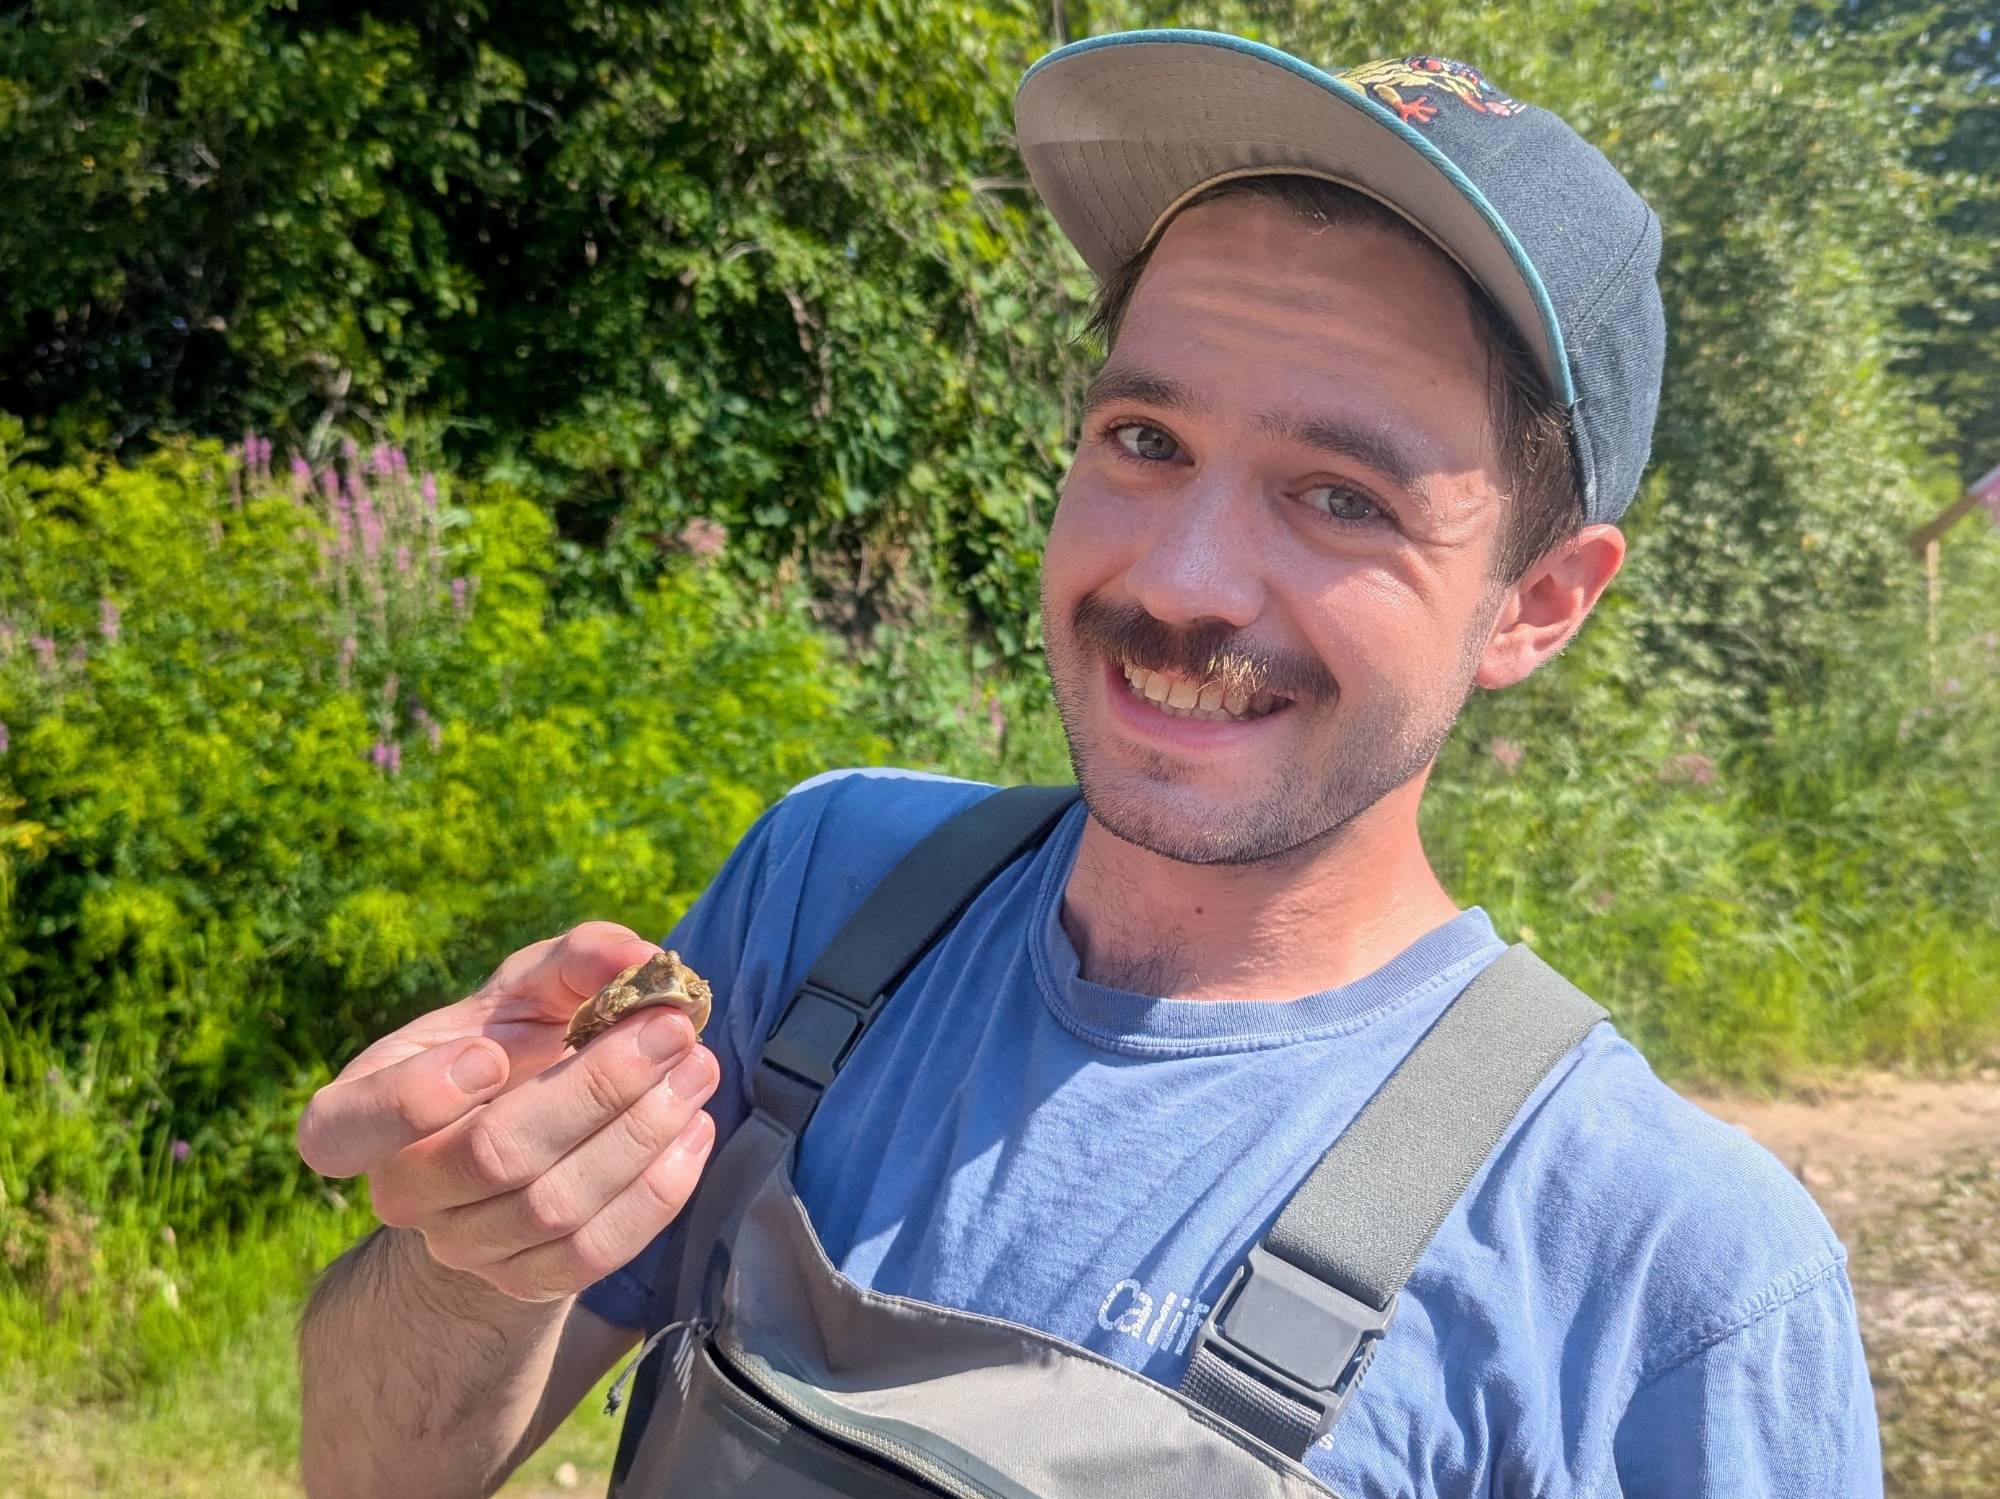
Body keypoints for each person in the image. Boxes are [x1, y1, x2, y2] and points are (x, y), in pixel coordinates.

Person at [294, 29, 1882, 1499]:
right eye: (1148, 441)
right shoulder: (827, 893)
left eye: (1342, 498)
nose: (1182, 580)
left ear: (1537, 603)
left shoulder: (1667, 1275)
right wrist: (479, 1256)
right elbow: (375, 1474)